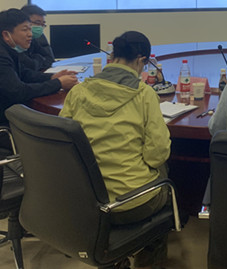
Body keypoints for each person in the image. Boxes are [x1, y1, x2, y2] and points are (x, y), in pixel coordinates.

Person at [60, 31, 170, 269]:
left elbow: (62, 145)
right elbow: (156, 155)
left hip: (85, 200)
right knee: (167, 178)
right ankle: (150, 258)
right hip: (131, 204)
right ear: (141, 60)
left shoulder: (77, 92)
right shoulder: (144, 94)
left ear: (112, 56)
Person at [0, 8, 78, 127]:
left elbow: (24, 73)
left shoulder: (4, 47)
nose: (30, 34)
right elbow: (19, 92)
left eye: (30, 29)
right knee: (61, 127)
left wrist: (52, 77)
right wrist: (58, 83)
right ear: (6, 34)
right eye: (25, 30)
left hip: (3, 110)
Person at [20, 4, 55, 71]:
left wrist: (37, 60)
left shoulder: (35, 38)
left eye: (42, 24)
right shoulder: (17, 42)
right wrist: (39, 59)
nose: (40, 27)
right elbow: (30, 65)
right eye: (37, 23)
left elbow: (50, 59)